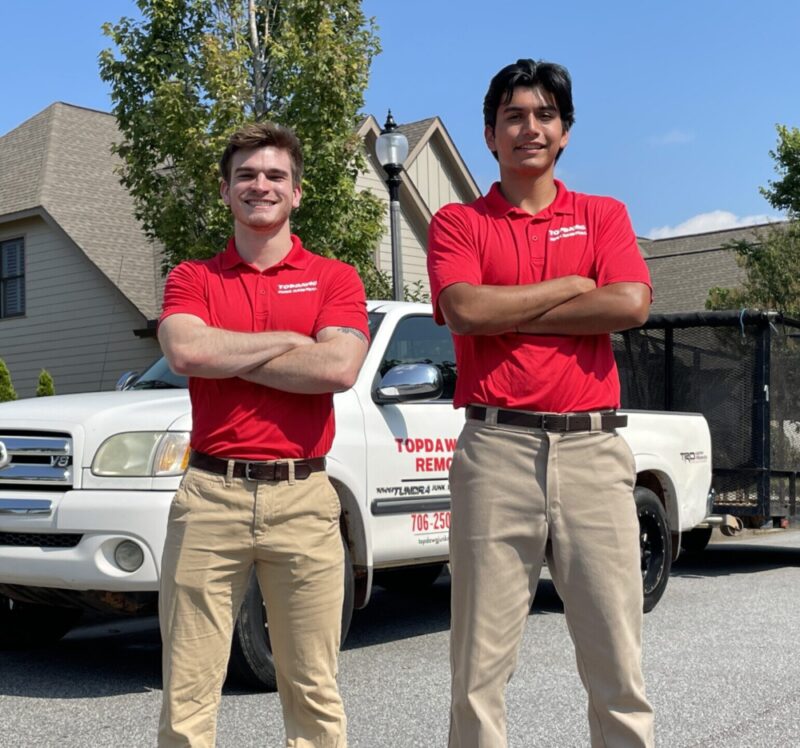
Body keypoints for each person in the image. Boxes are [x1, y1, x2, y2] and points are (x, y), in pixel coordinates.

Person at [427, 59, 655, 747]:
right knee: (479, 668)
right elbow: (464, 309)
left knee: (617, 657)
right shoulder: (458, 223)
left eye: (544, 115)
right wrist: (569, 284)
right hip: (496, 451)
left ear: (565, 133)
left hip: (592, 451)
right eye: (513, 117)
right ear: (491, 136)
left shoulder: (602, 214)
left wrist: (507, 312)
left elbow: (629, 302)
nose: (530, 128)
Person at [157, 121, 369, 748]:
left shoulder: (335, 278)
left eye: (275, 175)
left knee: (313, 687)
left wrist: (233, 352)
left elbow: (338, 368)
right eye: (246, 175)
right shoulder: (193, 277)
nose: (260, 185)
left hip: (303, 497)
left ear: (296, 192)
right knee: (188, 689)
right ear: (224, 190)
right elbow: (186, 352)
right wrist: (291, 343)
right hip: (209, 494)